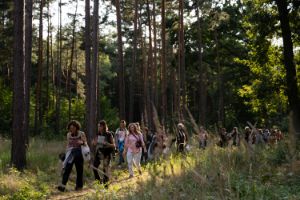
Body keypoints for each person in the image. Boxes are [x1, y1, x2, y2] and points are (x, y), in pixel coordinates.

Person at [58, 120, 87, 192]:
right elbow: (68, 145)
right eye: (70, 128)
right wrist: (66, 154)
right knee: (67, 169)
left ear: (77, 128)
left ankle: (79, 186)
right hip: (71, 154)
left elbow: (85, 143)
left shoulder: (81, 133)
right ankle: (62, 186)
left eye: (73, 128)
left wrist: (82, 142)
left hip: (79, 154)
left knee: (79, 170)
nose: (72, 129)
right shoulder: (68, 135)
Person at [92, 120, 115, 188]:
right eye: (98, 126)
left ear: (104, 126)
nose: (99, 127)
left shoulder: (109, 134)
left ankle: (106, 185)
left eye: (100, 126)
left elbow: (113, 145)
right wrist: (94, 143)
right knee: (94, 167)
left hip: (107, 153)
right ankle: (99, 181)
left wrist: (107, 144)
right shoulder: (97, 134)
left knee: (105, 169)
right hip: (99, 152)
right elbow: (93, 143)